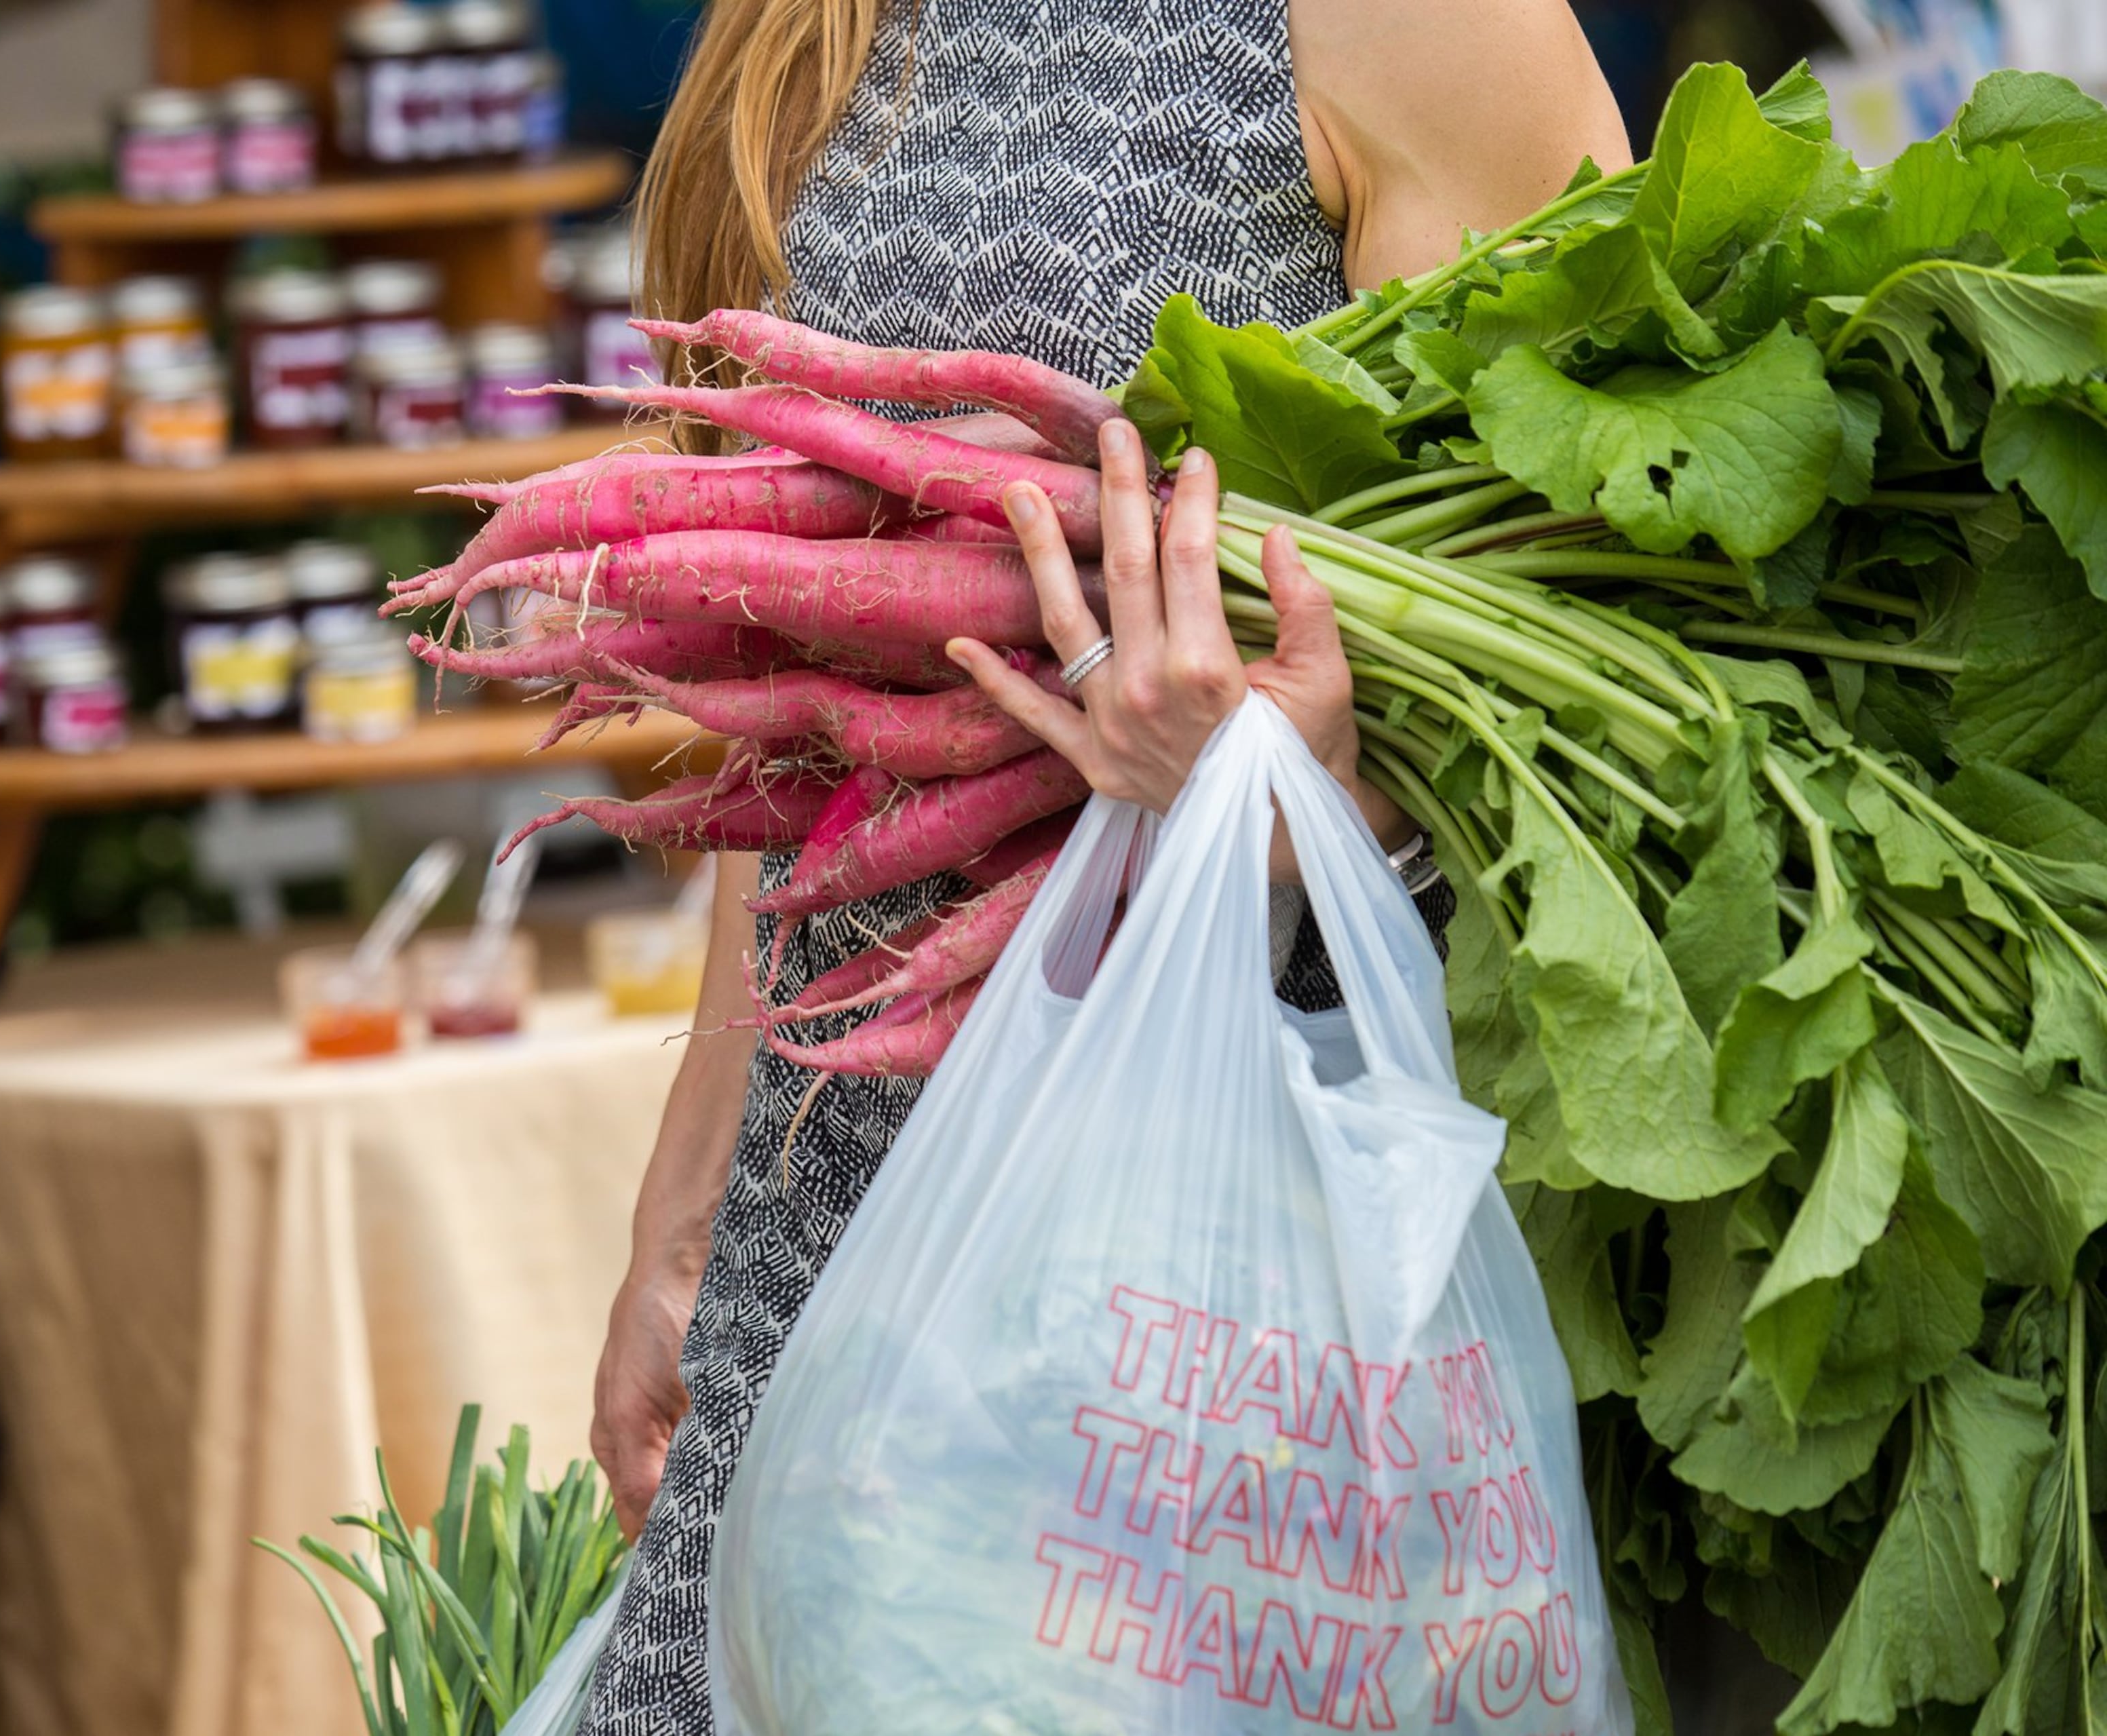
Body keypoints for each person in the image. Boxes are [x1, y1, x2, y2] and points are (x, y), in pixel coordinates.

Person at [583, 0, 1632, 1727]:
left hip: (1222, 1306)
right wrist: (685, 1215)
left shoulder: (1415, 25)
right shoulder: (816, 29)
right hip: (837, 1240)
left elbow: (1588, 726)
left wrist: (1288, 804)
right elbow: (806, 708)